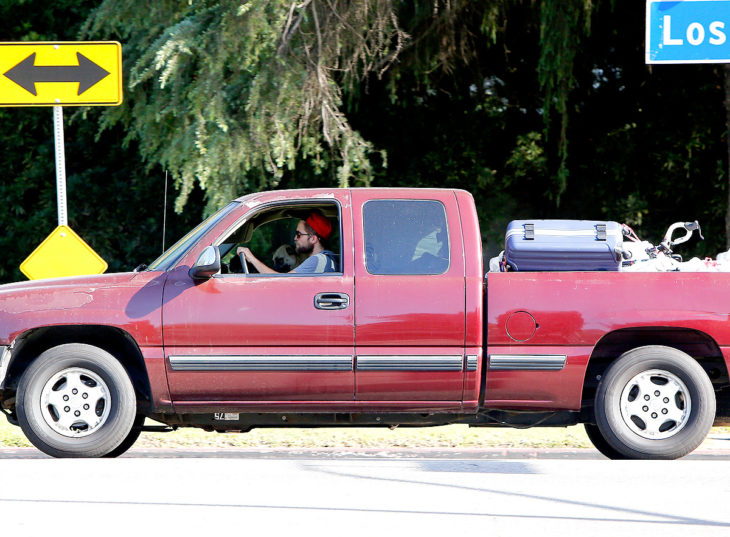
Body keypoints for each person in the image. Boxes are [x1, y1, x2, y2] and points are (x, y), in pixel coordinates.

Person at [237, 211, 337, 274]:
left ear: (313, 239)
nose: (294, 238)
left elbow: (281, 283)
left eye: (299, 234)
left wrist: (252, 259)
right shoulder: (327, 258)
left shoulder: (318, 260)